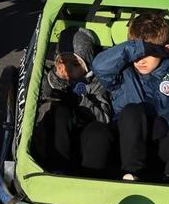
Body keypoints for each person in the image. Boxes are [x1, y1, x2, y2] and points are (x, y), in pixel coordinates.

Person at [92, 14, 169, 182]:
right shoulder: (122, 73)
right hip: (127, 144)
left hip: (159, 141)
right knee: (132, 109)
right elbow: (99, 67)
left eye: (150, 53)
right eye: (137, 54)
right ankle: (133, 172)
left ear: (165, 49)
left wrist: (167, 122)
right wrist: (136, 49)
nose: (141, 60)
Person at [33, 27, 112, 176]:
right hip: (54, 143)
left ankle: (91, 177)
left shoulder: (96, 84)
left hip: (85, 142)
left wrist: (80, 101)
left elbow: (105, 118)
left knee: (99, 130)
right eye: (62, 62)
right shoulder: (47, 81)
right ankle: (57, 171)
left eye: (75, 64)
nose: (66, 69)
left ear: (86, 65)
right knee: (59, 113)